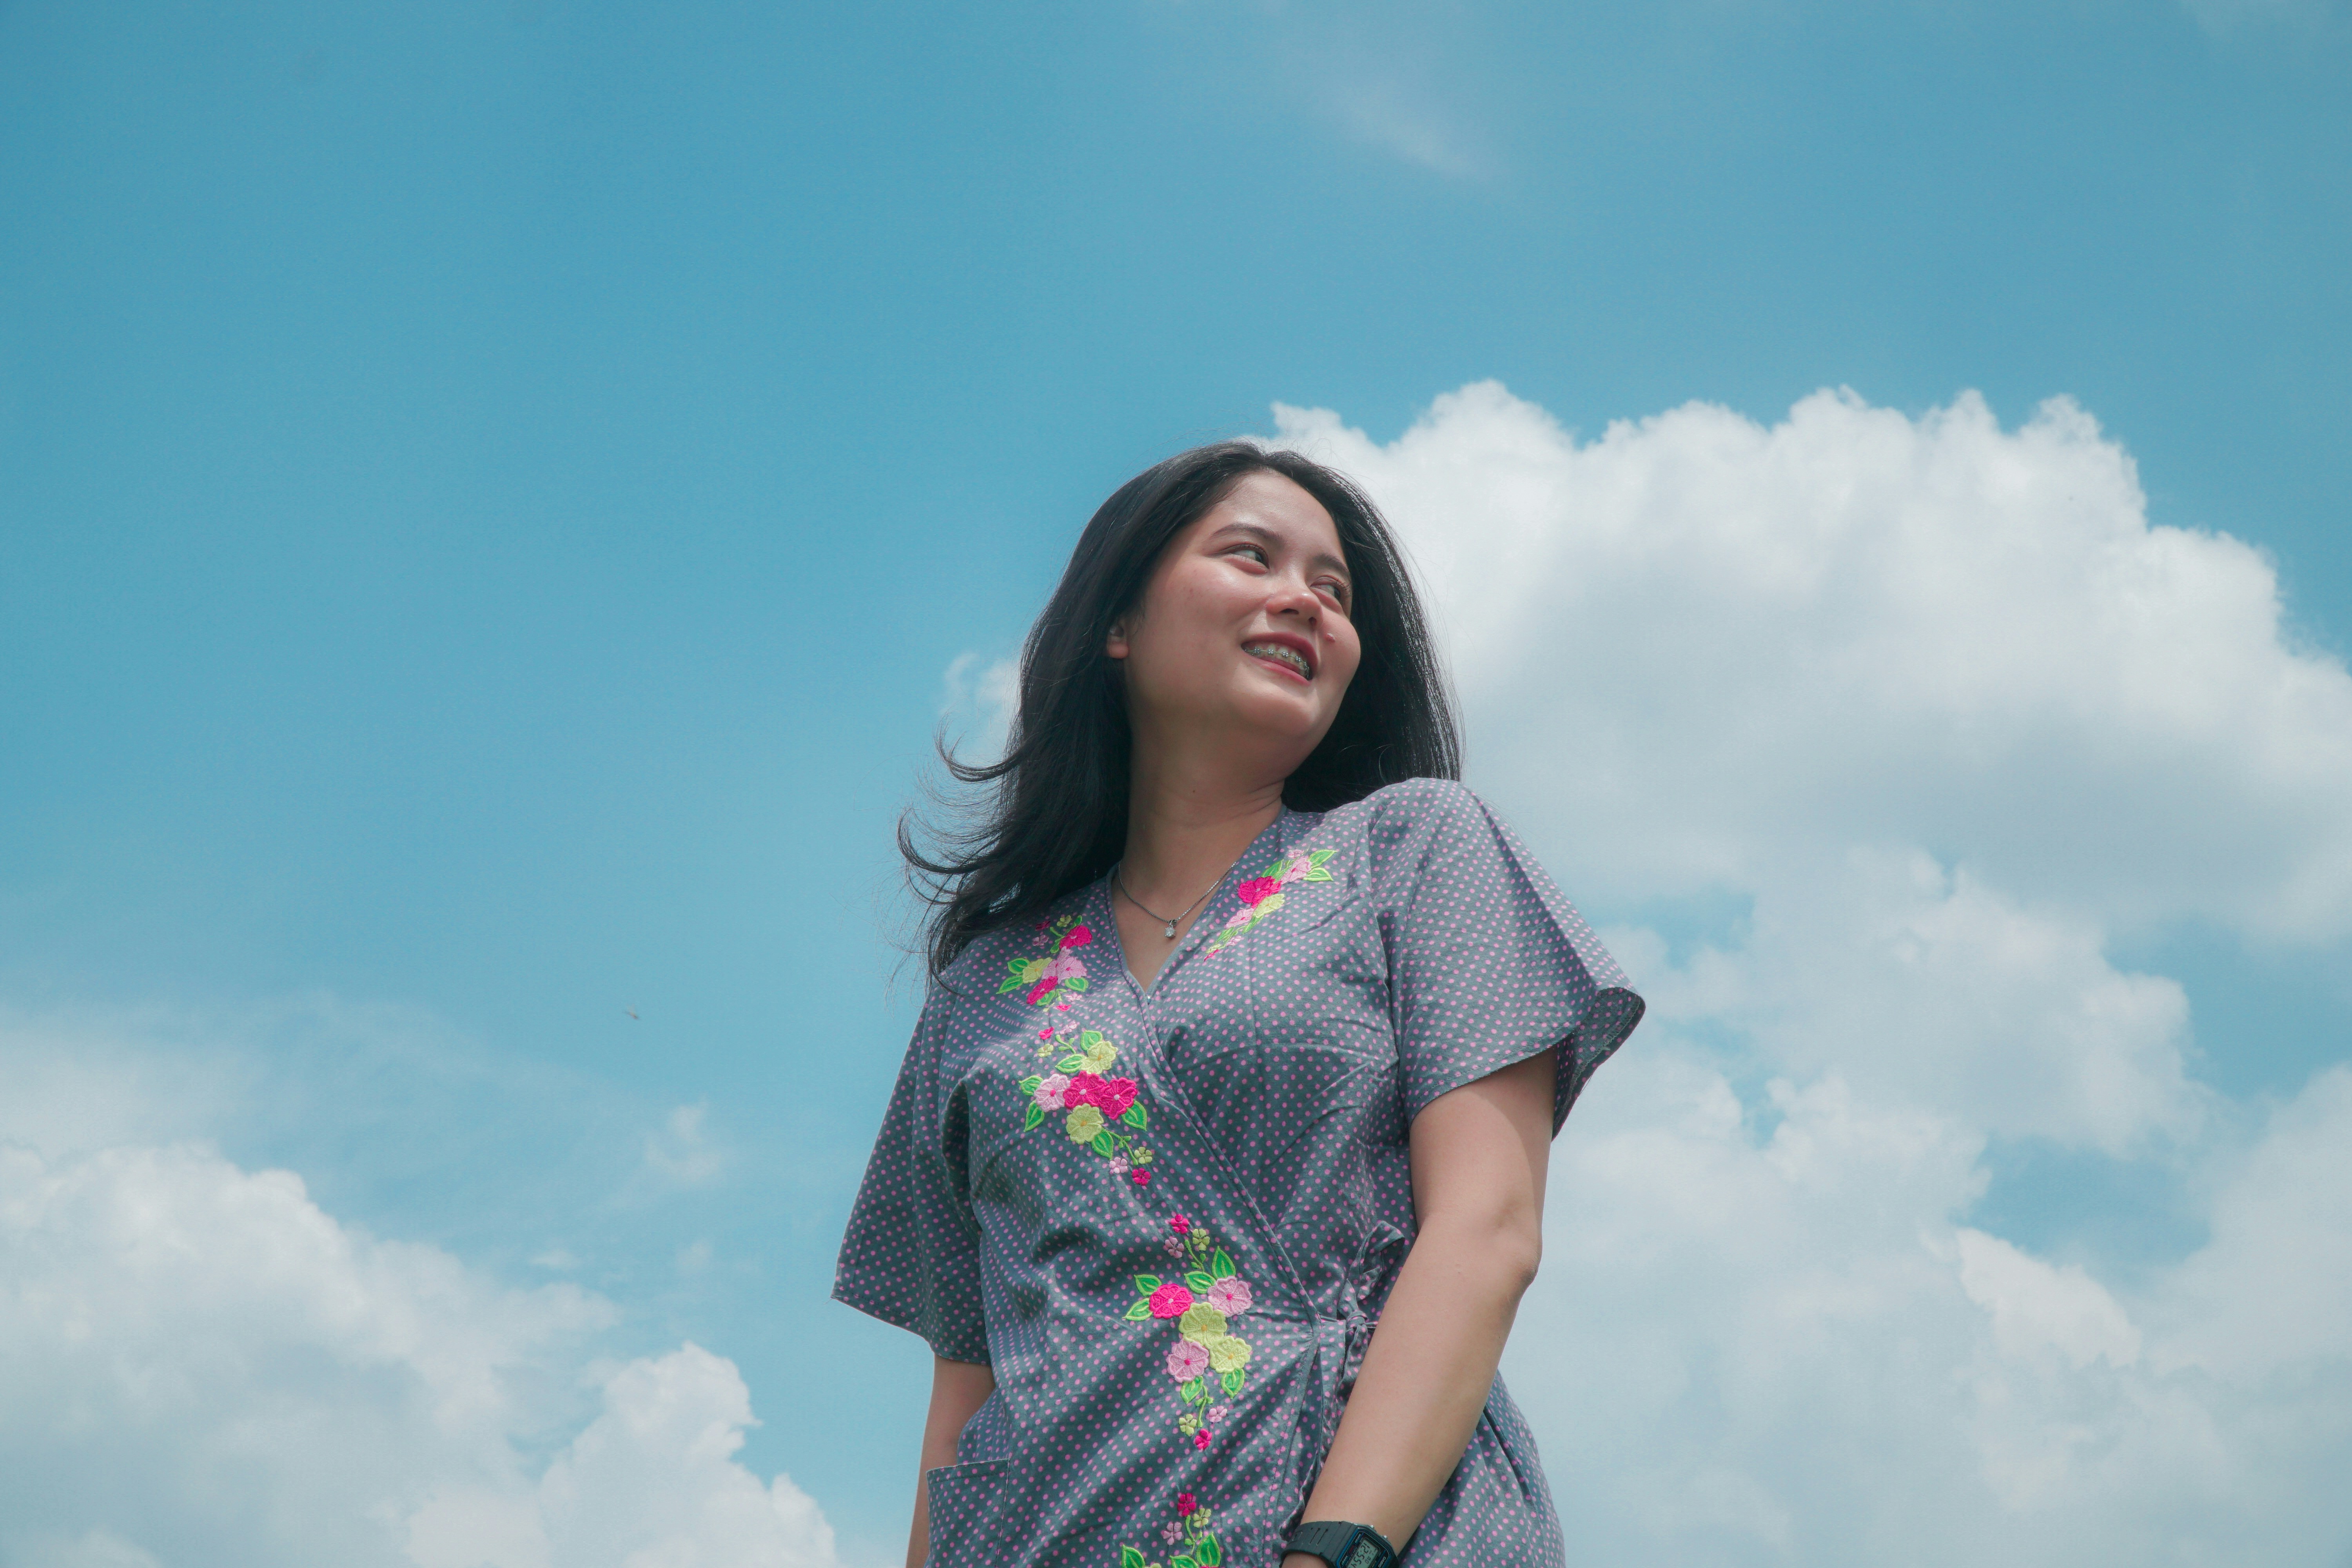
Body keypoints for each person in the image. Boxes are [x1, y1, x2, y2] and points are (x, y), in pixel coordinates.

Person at [834, 442, 1644, 1568]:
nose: (1304, 598)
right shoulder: (987, 982)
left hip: (1380, 1533)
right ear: (1118, 623)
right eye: (1250, 555)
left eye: (1336, 589)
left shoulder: (1416, 849)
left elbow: (1489, 1229)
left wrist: (1334, 1551)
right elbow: (970, 1381)